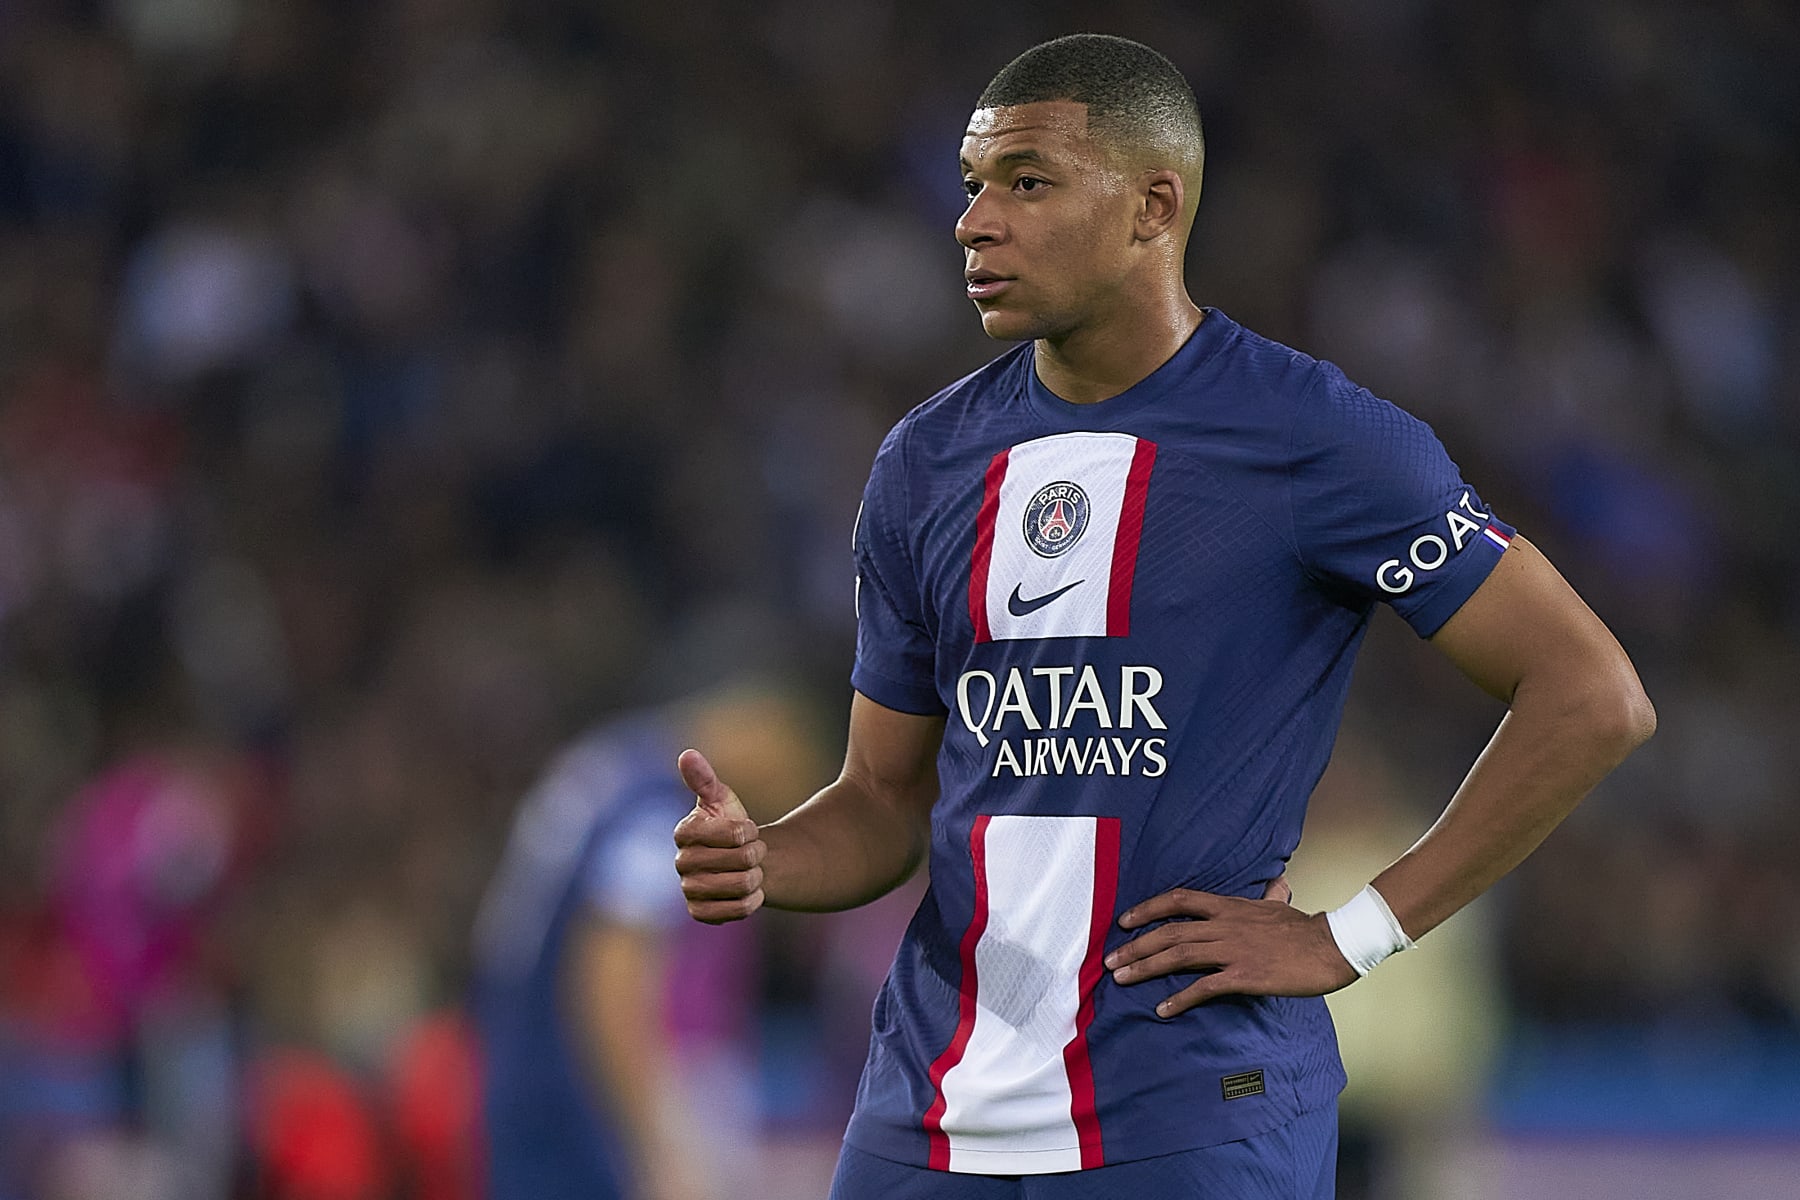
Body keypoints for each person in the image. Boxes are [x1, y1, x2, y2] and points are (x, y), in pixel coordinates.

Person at [673, 33, 1654, 1200]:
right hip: (929, 1108)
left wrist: (1354, 933)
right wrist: (768, 857)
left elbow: (1593, 696)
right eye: (975, 184)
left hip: (1194, 1109)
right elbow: (885, 799)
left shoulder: (1315, 437)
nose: (974, 221)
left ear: (1154, 206)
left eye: (1027, 182)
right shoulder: (924, 463)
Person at [473, 680, 821, 1200]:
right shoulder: (656, 808)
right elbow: (612, 977)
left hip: (515, 1062)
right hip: (577, 1101)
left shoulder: (610, 761)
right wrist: (659, 1148)